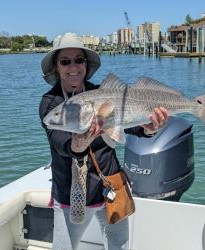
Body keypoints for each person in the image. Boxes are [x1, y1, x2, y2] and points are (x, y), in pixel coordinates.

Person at [39, 32, 168, 250]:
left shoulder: (102, 93)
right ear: (57, 66)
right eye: (65, 61)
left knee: (120, 246)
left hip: (111, 185)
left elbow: (132, 124)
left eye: (79, 60)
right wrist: (78, 144)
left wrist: (150, 128)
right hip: (73, 194)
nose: (73, 66)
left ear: (86, 64)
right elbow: (60, 143)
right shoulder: (51, 103)